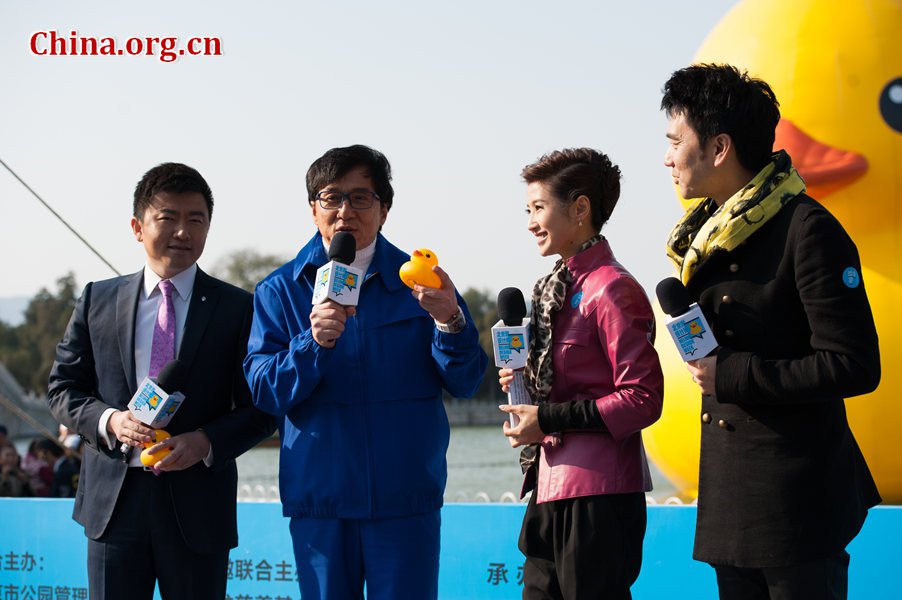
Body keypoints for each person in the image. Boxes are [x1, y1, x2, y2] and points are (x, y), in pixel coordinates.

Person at [661, 64, 881, 599]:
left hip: (798, 505)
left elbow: (853, 365)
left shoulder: (808, 230)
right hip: (732, 502)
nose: (666, 158)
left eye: (675, 142)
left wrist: (731, 374)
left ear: (719, 148)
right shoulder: (707, 237)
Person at [244, 144, 488, 600]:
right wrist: (311, 343)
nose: (344, 212)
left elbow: (466, 380)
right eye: (330, 198)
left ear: (385, 209)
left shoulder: (423, 283)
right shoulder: (280, 291)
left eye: (361, 198)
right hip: (321, 501)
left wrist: (450, 320)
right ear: (313, 209)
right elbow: (264, 390)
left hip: (404, 497)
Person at [47, 162, 276, 600]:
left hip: (197, 507)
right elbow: (62, 389)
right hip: (114, 507)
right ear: (138, 226)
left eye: (196, 219)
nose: (182, 232)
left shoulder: (238, 308)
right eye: (167, 217)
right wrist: (111, 421)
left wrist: (205, 441)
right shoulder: (98, 298)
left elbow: (262, 408)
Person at [498, 148, 664, 599]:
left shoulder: (613, 288)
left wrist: (547, 418)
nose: (531, 222)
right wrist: (525, 390)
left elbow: (643, 399)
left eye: (538, 208)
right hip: (548, 486)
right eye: (527, 210)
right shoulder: (558, 286)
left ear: (580, 208)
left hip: (599, 497)